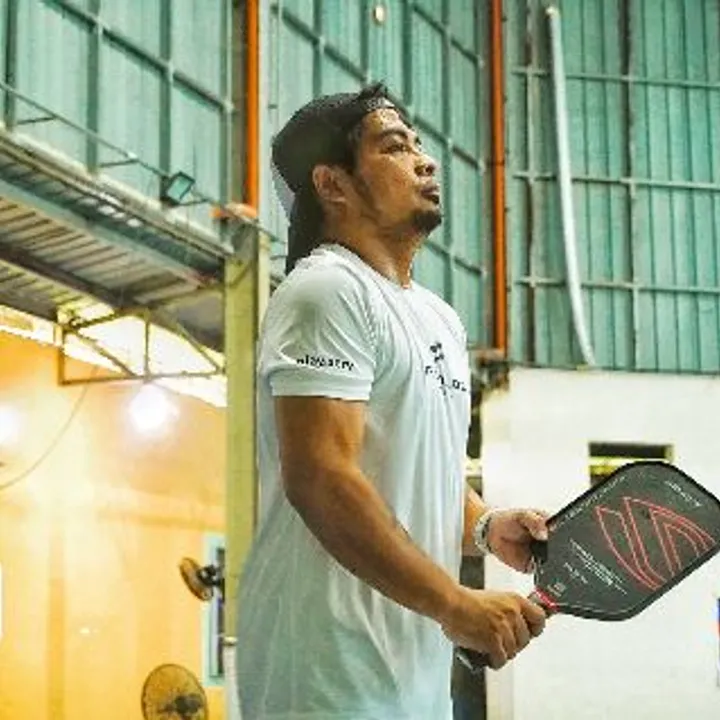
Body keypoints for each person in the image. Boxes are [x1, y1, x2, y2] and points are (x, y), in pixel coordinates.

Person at [235, 82, 547, 720]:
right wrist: (456, 604)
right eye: (395, 148)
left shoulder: (438, 318)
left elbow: (412, 472)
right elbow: (322, 478)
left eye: (419, 147)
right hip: (325, 682)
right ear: (333, 184)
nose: (425, 162)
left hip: (415, 680)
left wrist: (485, 526)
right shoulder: (325, 291)